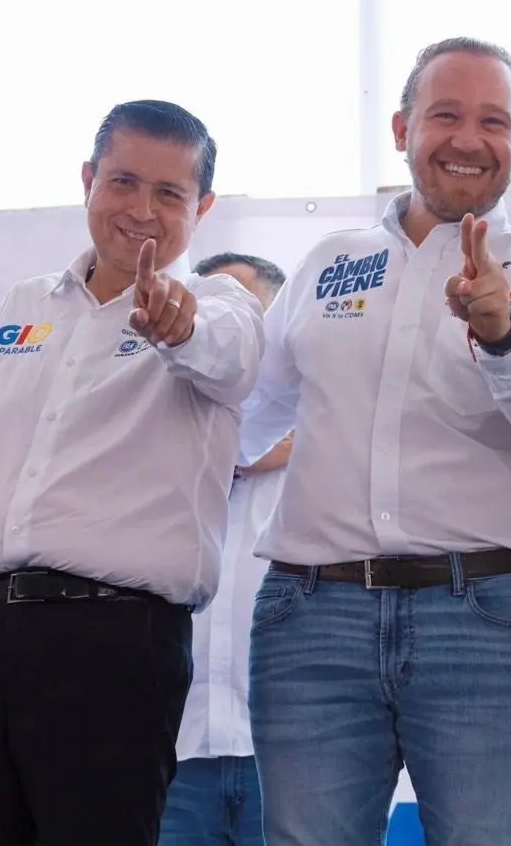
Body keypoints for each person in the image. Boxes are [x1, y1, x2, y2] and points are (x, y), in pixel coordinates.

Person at [0, 100, 266, 846]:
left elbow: (227, 355)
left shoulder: (220, 305)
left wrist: (177, 327)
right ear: (87, 180)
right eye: (122, 181)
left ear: (202, 207)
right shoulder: (23, 305)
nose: (141, 210)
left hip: (113, 645)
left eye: (170, 194)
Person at [236, 36, 511, 846]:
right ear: (401, 127)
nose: (468, 138)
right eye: (445, 115)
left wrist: (504, 332)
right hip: (311, 617)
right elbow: (244, 419)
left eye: (493, 121)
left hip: (483, 616)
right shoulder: (330, 264)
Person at [158, 252, 288, 846]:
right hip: (167, 761)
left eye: (243, 315)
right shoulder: (144, 469)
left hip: (296, 764)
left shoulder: (332, 471)